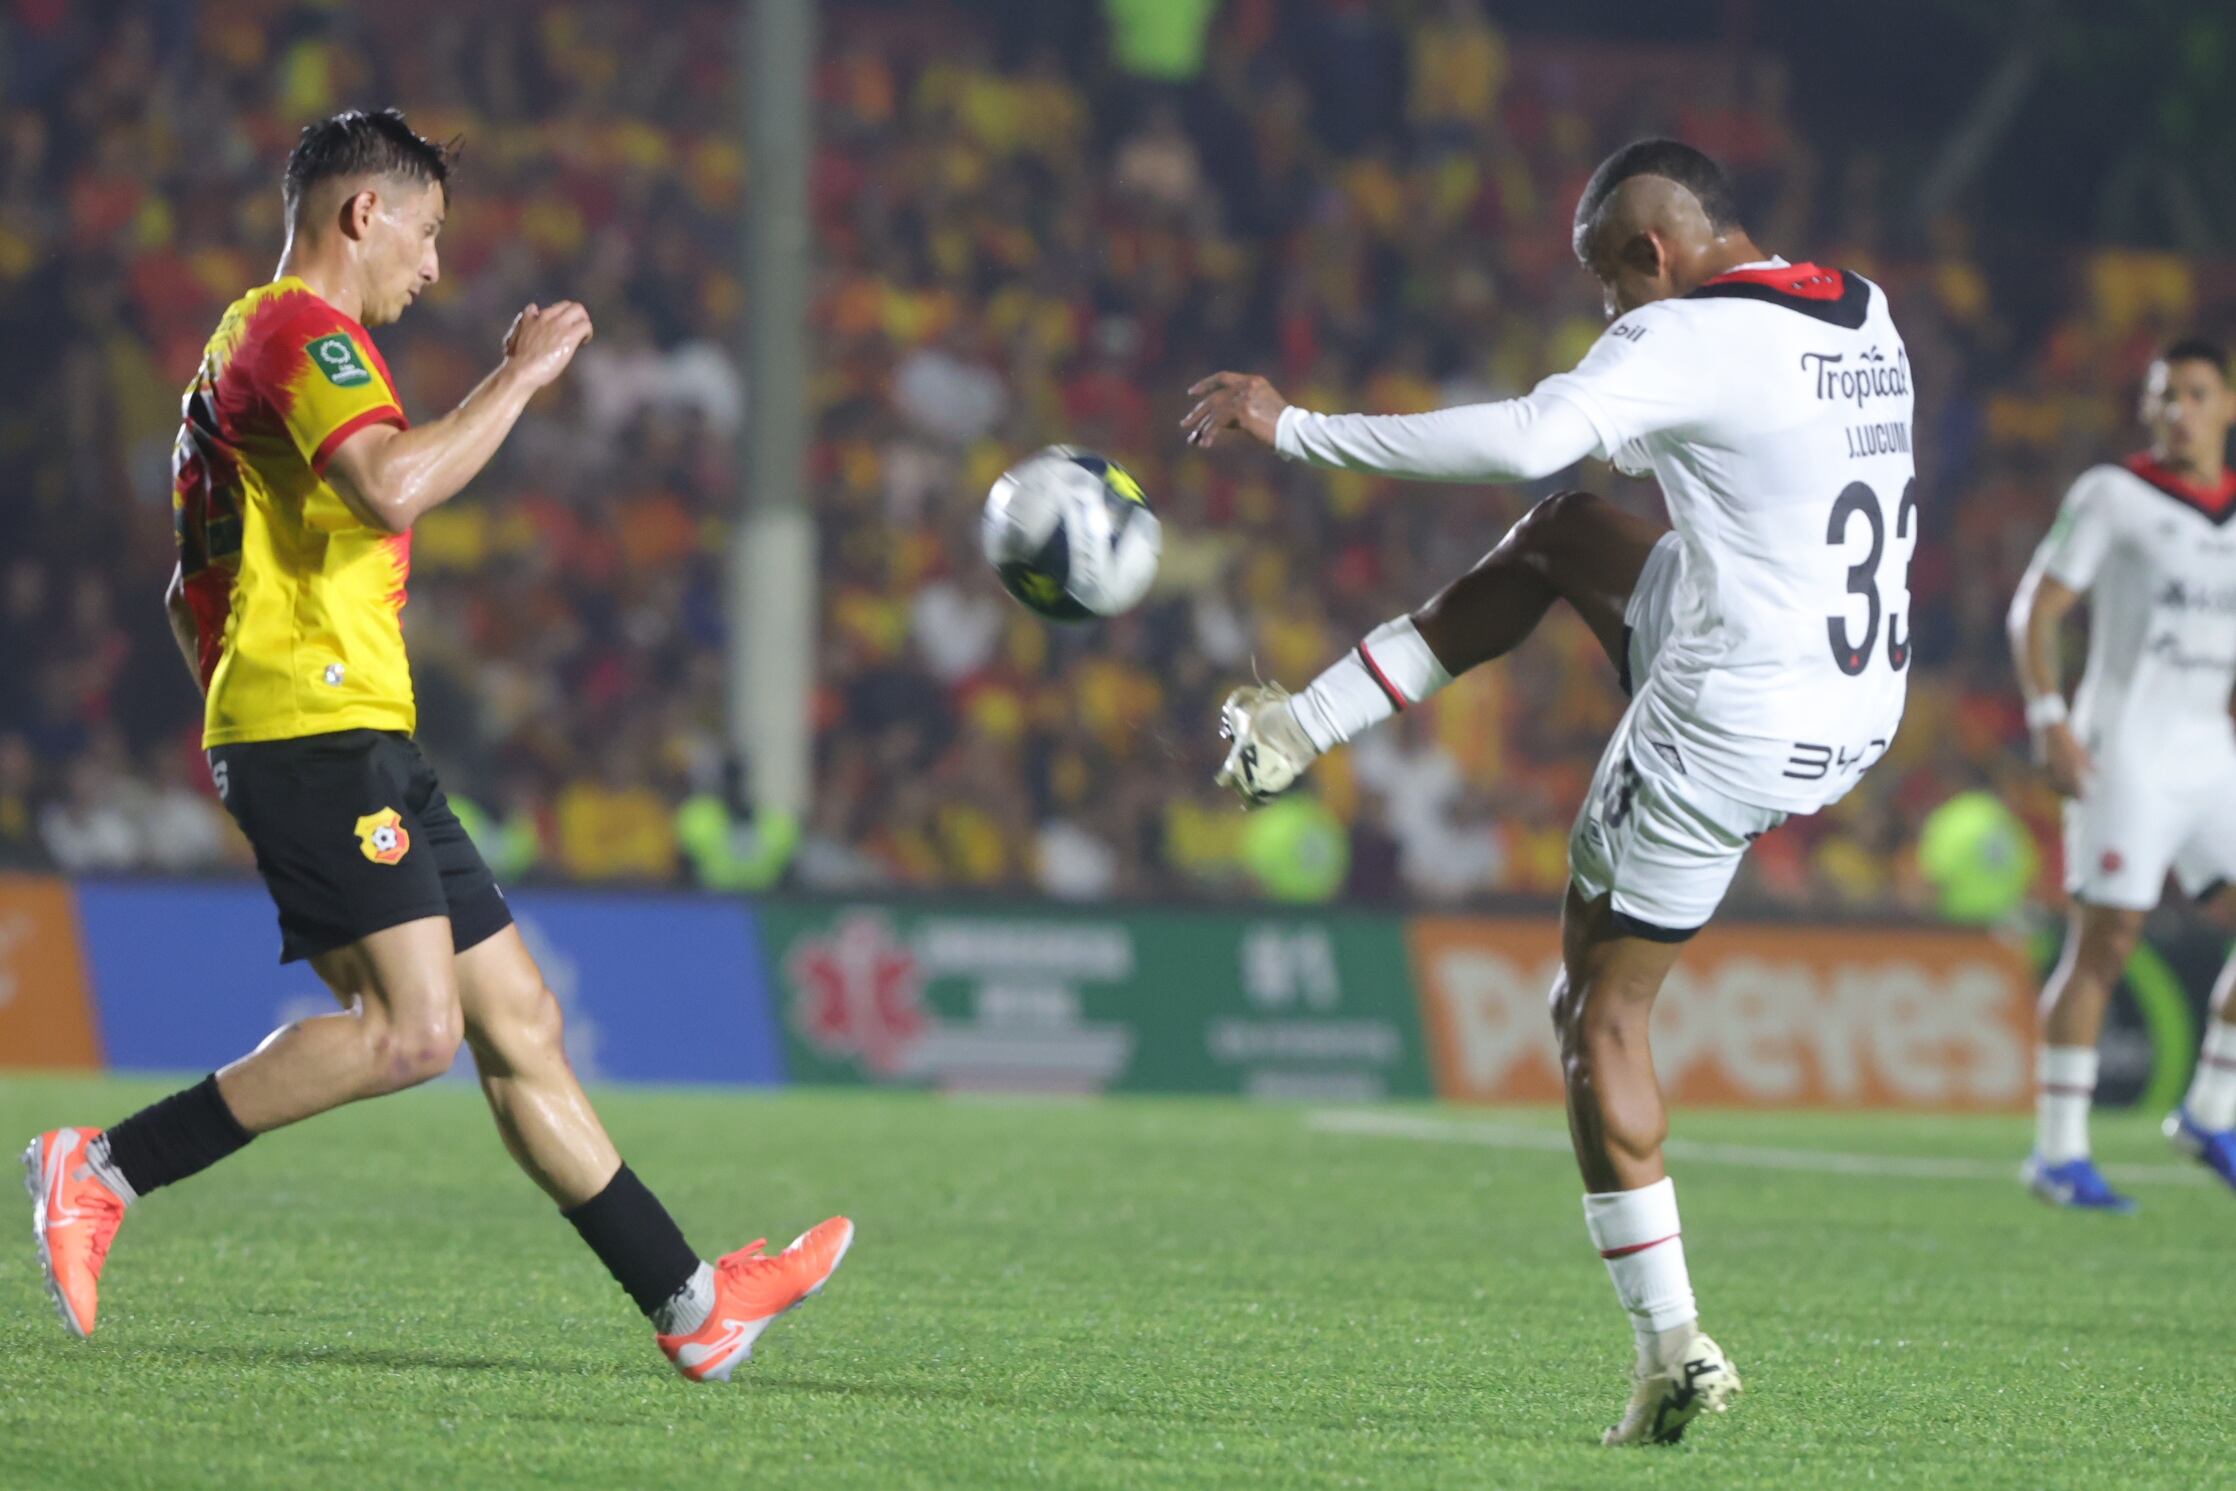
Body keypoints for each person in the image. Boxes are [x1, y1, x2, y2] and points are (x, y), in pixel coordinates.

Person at [21, 110, 851, 1382]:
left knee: (520, 1020)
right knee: (410, 1033)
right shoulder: (300, 331)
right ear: (366, 213)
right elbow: (392, 485)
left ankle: (694, 1307)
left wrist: (246, 702)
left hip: (343, 726)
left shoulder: (246, 347)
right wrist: (519, 375)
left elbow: (189, 592)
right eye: (428, 232)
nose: (435, 265)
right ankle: (105, 1167)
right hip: (317, 730)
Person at [1182, 138, 1917, 1445]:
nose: (1606, 313)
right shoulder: (1863, 308)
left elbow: (1530, 432)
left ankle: (1670, 1346)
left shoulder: (1682, 334)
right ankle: (1300, 725)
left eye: (1606, 284)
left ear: (1652, 253)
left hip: (1729, 719)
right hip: (1856, 697)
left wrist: (1294, 427)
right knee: (1564, 535)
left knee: (1593, 1013)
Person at [2006, 337, 2236, 1212]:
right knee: (2105, 943)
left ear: (2228, 406)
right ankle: (2059, 1151)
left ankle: (2211, 1111)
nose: (2180, 409)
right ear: (2146, 409)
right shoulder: (2114, 494)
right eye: (2164, 394)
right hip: (2126, 751)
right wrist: (2049, 718)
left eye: (2197, 392)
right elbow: (2037, 607)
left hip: (2210, 750)